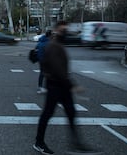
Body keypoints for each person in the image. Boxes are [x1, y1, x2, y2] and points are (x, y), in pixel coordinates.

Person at [33, 21, 97, 155]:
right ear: (56, 31)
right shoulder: (53, 46)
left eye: (66, 30)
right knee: (47, 114)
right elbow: (58, 70)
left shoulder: (57, 45)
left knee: (71, 113)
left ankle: (76, 144)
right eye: (63, 30)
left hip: (61, 85)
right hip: (55, 85)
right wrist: (73, 85)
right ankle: (39, 142)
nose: (65, 33)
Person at [35, 30, 52, 94]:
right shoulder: (49, 42)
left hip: (40, 59)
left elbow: (36, 48)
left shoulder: (41, 41)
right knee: (48, 74)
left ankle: (40, 87)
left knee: (42, 73)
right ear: (50, 35)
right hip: (46, 60)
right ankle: (47, 87)